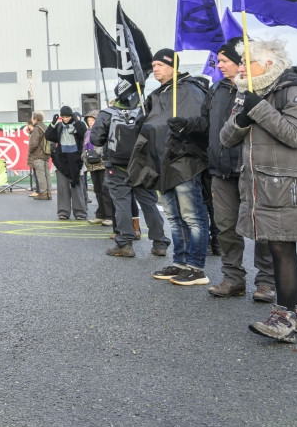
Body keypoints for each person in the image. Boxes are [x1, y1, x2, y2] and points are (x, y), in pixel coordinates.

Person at [219, 38, 297, 342]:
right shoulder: (247, 93)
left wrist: (259, 108)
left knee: (281, 247)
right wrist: (243, 117)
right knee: (282, 247)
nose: (241, 67)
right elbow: (226, 138)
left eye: (246, 62)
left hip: (289, 185)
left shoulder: (293, 90)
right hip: (263, 185)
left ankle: (283, 316)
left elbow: (295, 135)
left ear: (267, 63)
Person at [176, 38, 275, 300]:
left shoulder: (258, 88)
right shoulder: (217, 89)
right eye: (218, 61)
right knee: (226, 227)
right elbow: (206, 123)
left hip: (252, 170)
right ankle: (233, 278)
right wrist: (186, 124)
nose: (218, 65)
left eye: (224, 61)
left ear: (240, 61)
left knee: (261, 227)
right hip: (220, 171)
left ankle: (266, 282)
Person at [136, 49, 211, 287]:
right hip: (162, 162)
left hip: (184, 161)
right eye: (153, 65)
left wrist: (184, 128)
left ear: (173, 66)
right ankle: (180, 262)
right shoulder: (158, 94)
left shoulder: (189, 90)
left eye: (159, 64)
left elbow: (201, 124)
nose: (155, 69)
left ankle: (196, 267)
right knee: (174, 217)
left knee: (192, 216)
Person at [91, 80, 163, 257]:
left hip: (116, 165)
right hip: (143, 165)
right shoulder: (146, 110)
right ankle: (160, 242)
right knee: (149, 203)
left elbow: (96, 139)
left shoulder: (107, 113)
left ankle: (125, 243)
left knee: (121, 203)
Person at [45, 106, 87, 220]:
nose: (65, 119)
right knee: (62, 188)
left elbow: (84, 134)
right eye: (63, 117)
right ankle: (63, 212)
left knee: (77, 187)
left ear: (71, 115)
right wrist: (53, 123)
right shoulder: (59, 126)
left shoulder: (78, 125)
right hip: (62, 160)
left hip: (76, 160)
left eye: (67, 116)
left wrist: (77, 121)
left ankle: (80, 212)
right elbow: (48, 136)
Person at [83, 113, 111, 224]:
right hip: (92, 164)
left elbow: (106, 146)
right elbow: (84, 147)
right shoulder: (87, 133)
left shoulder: (103, 131)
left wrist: (98, 153)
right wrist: (84, 157)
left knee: (106, 190)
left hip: (102, 164)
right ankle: (100, 215)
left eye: (92, 120)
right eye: (88, 120)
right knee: (98, 190)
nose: (90, 122)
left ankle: (109, 216)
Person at [27, 112, 50, 200]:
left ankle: (43, 194)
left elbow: (34, 143)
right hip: (46, 154)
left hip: (38, 155)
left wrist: (30, 150)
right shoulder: (45, 127)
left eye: (32, 118)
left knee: (40, 175)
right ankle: (48, 193)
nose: (32, 120)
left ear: (36, 119)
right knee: (46, 174)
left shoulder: (37, 129)